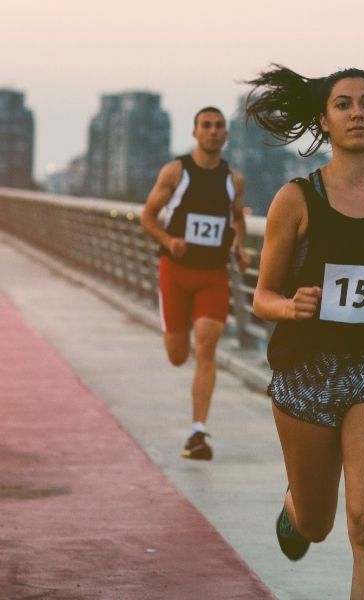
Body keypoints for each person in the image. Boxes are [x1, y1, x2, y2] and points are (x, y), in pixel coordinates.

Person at [245, 65, 364, 599]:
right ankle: (295, 510)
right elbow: (262, 296)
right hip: (307, 372)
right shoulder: (297, 199)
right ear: (325, 122)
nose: (357, 113)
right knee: (318, 523)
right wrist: (291, 306)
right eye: (344, 104)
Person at [141, 106, 249, 460]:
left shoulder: (233, 180)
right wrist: (168, 241)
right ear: (195, 132)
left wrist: (239, 247)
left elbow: (236, 219)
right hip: (175, 271)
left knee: (206, 347)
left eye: (219, 126)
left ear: (225, 135)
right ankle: (180, 324)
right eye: (206, 125)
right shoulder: (176, 172)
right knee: (178, 355)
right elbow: (148, 216)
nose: (214, 131)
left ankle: (198, 432)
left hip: (213, 275)